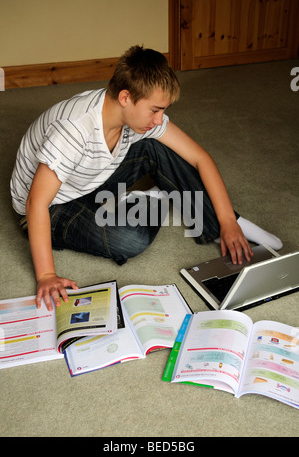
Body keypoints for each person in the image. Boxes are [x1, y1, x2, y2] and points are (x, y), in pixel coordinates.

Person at [10, 45, 282, 311]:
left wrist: (226, 220)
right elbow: (36, 203)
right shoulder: (73, 131)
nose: (159, 119)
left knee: (157, 146)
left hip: (86, 178)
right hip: (50, 207)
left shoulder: (134, 116)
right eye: (155, 110)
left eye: (162, 110)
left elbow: (201, 158)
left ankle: (230, 224)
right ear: (126, 97)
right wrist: (46, 275)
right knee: (132, 241)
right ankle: (153, 199)